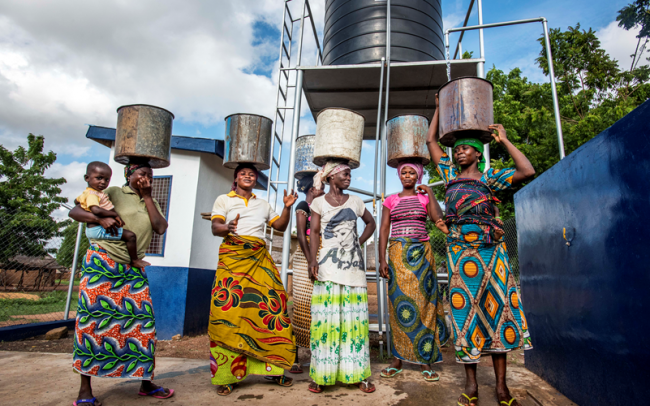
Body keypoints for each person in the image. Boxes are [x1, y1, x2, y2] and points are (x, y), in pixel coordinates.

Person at [426, 95, 535, 406]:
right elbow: (431, 140)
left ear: (477, 153)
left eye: (465, 148)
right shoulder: (448, 176)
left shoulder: (491, 179)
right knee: (465, 315)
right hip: (461, 256)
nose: (459, 151)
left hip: (492, 254)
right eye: (456, 149)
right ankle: (471, 386)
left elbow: (526, 170)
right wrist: (438, 108)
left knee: (498, 313)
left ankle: (502, 388)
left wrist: (505, 140)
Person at [68, 162, 173, 406]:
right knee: (92, 323)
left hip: (133, 268)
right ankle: (85, 389)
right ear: (129, 175)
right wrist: (98, 219)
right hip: (102, 263)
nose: (146, 177)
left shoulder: (152, 201)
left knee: (142, 325)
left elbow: (160, 228)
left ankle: (146, 383)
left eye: (150, 175)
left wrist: (148, 197)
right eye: (141, 173)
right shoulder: (113, 192)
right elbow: (75, 212)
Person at [209, 163, 299, 396]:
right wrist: (227, 227)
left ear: (256, 180)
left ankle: (274, 370)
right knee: (228, 312)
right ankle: (227, 376)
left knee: (272, 307)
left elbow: (279, 225)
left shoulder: (263, 203)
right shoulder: (224, 200)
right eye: (243, 174)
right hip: (233, 259)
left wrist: (287, 208)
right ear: (236, 178)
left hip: (259, 258)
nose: (248, 176)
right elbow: (215, 227)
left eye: (252, 174)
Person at [307, 161, 377, 394]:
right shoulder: (317, 203)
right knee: (325, 322)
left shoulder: (356, 202)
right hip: (328, 269)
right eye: (345, 174)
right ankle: (321, 376)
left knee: (353, 323)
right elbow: (315, 232)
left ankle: (358, 374)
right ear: (331, 177)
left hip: (354, 271)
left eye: (349, 175)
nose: (349, 178)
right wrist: (313, 260)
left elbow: (371, 223)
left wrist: (358, 242)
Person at [378, 160, 449, 382]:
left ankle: (425, 359)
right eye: (404, 173)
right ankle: (397, 360)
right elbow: (383, 230)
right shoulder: (391, 200)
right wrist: (382, 259)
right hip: (398, 254)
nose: (407, 176)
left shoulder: (424, 198)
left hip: (422, 255)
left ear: (417, 176)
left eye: (412, 173)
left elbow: (437, 218)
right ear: (399, 176)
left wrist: (430, 192)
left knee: (425, 305)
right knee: (399, 306)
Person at [75, 161, 149, 269]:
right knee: (130, 236)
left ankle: (134, 260)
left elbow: (77, 202)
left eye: (106, 180)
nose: (103, 182)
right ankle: (134, 260)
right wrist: (112, 215)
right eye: (99, 178)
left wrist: (147, 197)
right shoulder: (96, 194)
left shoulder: (94, 193)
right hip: (103, 247)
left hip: (98, 233)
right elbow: (87, 210)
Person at [289, 175, 325, 374]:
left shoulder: (321, 206)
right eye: (321, 187)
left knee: (318, 307)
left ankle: (317, 355)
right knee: (302, 306)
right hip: (306, 259)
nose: (324, 190)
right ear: (312, 189)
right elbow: (302, 234)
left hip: (320, 258)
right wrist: (310, 259)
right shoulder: (303, 205)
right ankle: (295, 358)